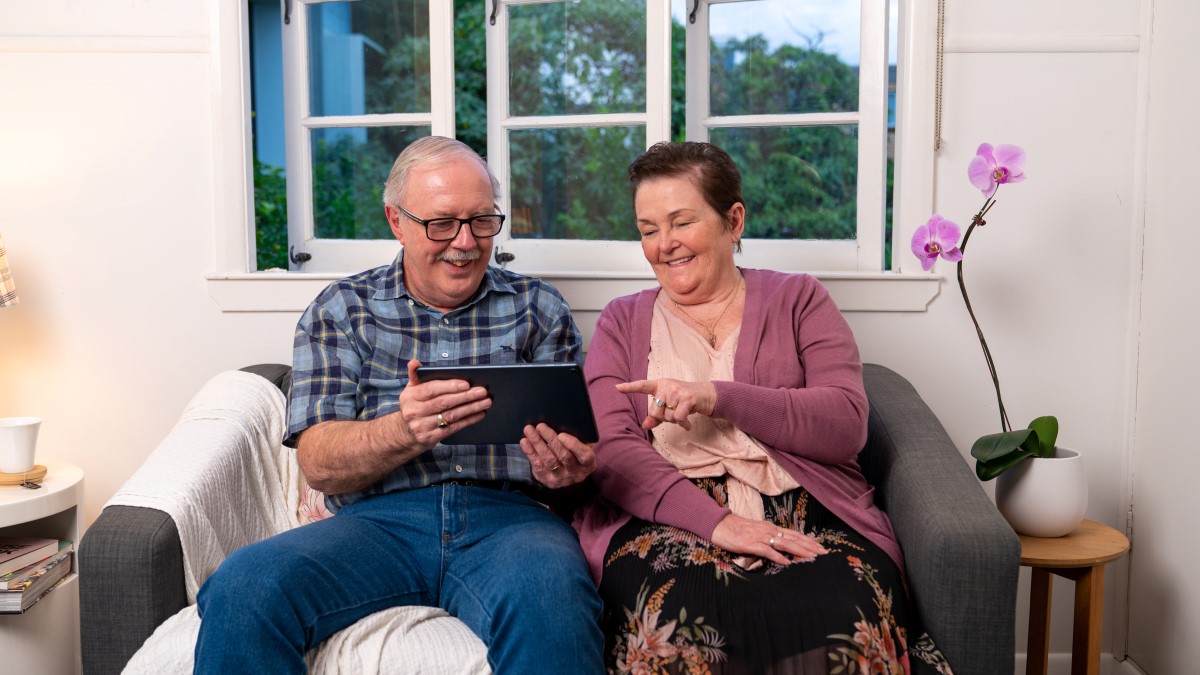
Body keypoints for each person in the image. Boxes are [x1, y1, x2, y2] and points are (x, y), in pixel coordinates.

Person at [194, 136, 605, 674]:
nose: (465, 242)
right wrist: (403, 430)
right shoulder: (342, 309)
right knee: (243, 586)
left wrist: (567, 471)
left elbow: (578, 469)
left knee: (557, 603)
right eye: (443, 223)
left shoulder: (539, 307)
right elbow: (318, 463)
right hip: (376, 524)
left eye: (482, 221)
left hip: (511, 523)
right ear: (397, 221)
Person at [576, 141, 955, 673]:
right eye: (647, 229)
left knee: (842, 628)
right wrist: (718, 524)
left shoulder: (799, 300)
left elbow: (845, 424)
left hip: (812, 511)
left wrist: (718, 396)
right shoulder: (621, 321)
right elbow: (612, 451)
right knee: (679, 631)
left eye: (681, 222)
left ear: (734, 220)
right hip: (669, 515)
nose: (664, 245)